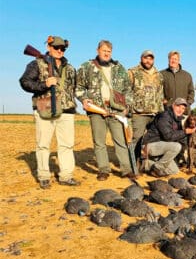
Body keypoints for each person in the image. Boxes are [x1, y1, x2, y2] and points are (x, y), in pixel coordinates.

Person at [19, 35, 79, 188]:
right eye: (56, 47)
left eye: (62, 48)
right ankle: (44, 175)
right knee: (43, 144)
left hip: (67, 110)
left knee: (67, 145)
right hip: (45, 105)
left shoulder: (70, 68)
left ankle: (66, 175)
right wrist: (44, 84)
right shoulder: (36, 64)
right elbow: (25, 82)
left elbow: (75, 88)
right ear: (49, 47)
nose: (60, 50)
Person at [76, 40, 135, 180]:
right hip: (97, 110)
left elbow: (128, 89)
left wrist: (127, 106)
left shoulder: (119, 68)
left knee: (120, 140)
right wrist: (84, 99)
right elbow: (78, 87)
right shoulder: (87, 67)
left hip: (116, 109)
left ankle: (126, 170)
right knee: (99, 141)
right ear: (98, 50)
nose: (106, 53)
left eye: (109, 51)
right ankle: (103, 169)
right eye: (104, 50)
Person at [139, 98, 193, 176]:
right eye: (178, 106)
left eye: (183, 108)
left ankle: (146, 165)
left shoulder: (177, 119)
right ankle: (157, 168)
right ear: (173, 105)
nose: (180, 110)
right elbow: (168, 136)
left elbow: (179, 137)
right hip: (150, 145)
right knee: (176, 146)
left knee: (174, 171)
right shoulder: (165, 116)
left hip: (161, 147)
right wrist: (185, 132)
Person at [127, 50, 164, 144]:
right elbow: (126, 91)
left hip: (154, 114)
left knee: (152, 140)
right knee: (137, 138)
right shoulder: (133, 72)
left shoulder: (159, 75)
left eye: (150, 58)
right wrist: (128, 109)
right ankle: (133, 158)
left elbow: (160, 94)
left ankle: (145, 158)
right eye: (146, 58)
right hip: (139, 114)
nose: (148, 61)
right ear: (141, 59)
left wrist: (160, 111)